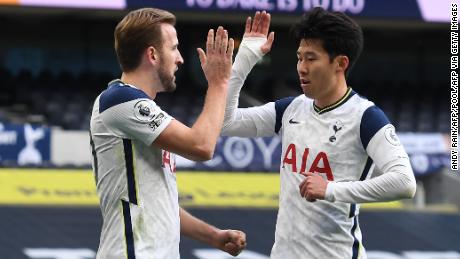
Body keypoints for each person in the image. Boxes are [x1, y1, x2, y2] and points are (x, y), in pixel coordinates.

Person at [222, 8, 416, 258]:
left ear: (340, 63)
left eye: (311, 58)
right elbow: (225, 122)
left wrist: (332, 190)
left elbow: (404, 182)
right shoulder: (291, 108)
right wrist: (246, 57)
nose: (301, 67)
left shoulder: (365, 117)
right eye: (299, 57)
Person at [89, 8, 246, 259]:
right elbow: (202, 146)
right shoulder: (119, 99)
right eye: (173, 48)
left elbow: (159, 206)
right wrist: (219, 83)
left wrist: (213, 236)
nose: (180, 58)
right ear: (152, 54)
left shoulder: (138, 108)